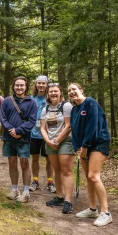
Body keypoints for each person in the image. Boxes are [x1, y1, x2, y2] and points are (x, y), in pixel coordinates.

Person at [68, 83, 112, 226]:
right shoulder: (74, 109)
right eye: (69, 91)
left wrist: (85, 146)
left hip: (98, 142)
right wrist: (78, 148)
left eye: (74, 89)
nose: (72, 92)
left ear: (81, 90)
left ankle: (106, 212)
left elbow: (93, 125)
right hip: (83, 147)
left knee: (94, 175)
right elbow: (74, 130)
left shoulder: (90, 102)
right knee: (88, 178)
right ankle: (92, 209)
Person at [0, 76, 37, 203]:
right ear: (13, 86)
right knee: (12, 162)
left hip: (24, 138)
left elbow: (32, 120)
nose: (19, 87)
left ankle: (26, 192)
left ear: (26, 86)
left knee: (25, 162)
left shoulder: (31, 102)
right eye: (17, 85)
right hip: (9, 137)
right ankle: (14, 189)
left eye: (22, 85)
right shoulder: (6, 101)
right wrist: (11, 130)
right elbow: (3, 118)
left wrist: (19, 131)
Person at [40, 83, 75, 214]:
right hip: (50, 142)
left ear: (60, 93)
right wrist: (48, 141)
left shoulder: (66, 106)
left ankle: (68, 201)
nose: (53, 94)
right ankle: (59, 196)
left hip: (65, 141)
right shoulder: (46, 109)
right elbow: (43, 128)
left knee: (66, 170)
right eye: (51, 92)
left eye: (55, 91)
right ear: (48, 94)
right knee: (57, 170)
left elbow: (68, 126)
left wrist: (57, 140)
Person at [30, 75, 56, 193]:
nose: (41, 85)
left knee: (49, 159)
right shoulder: (31, 98)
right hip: (33, 134)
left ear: (46, 85)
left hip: (48, 133)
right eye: (39, 83)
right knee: (34, 157)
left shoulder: (50, 98)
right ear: (36, 84)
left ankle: (50, 182)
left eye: (43, 83)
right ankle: (35, 181)